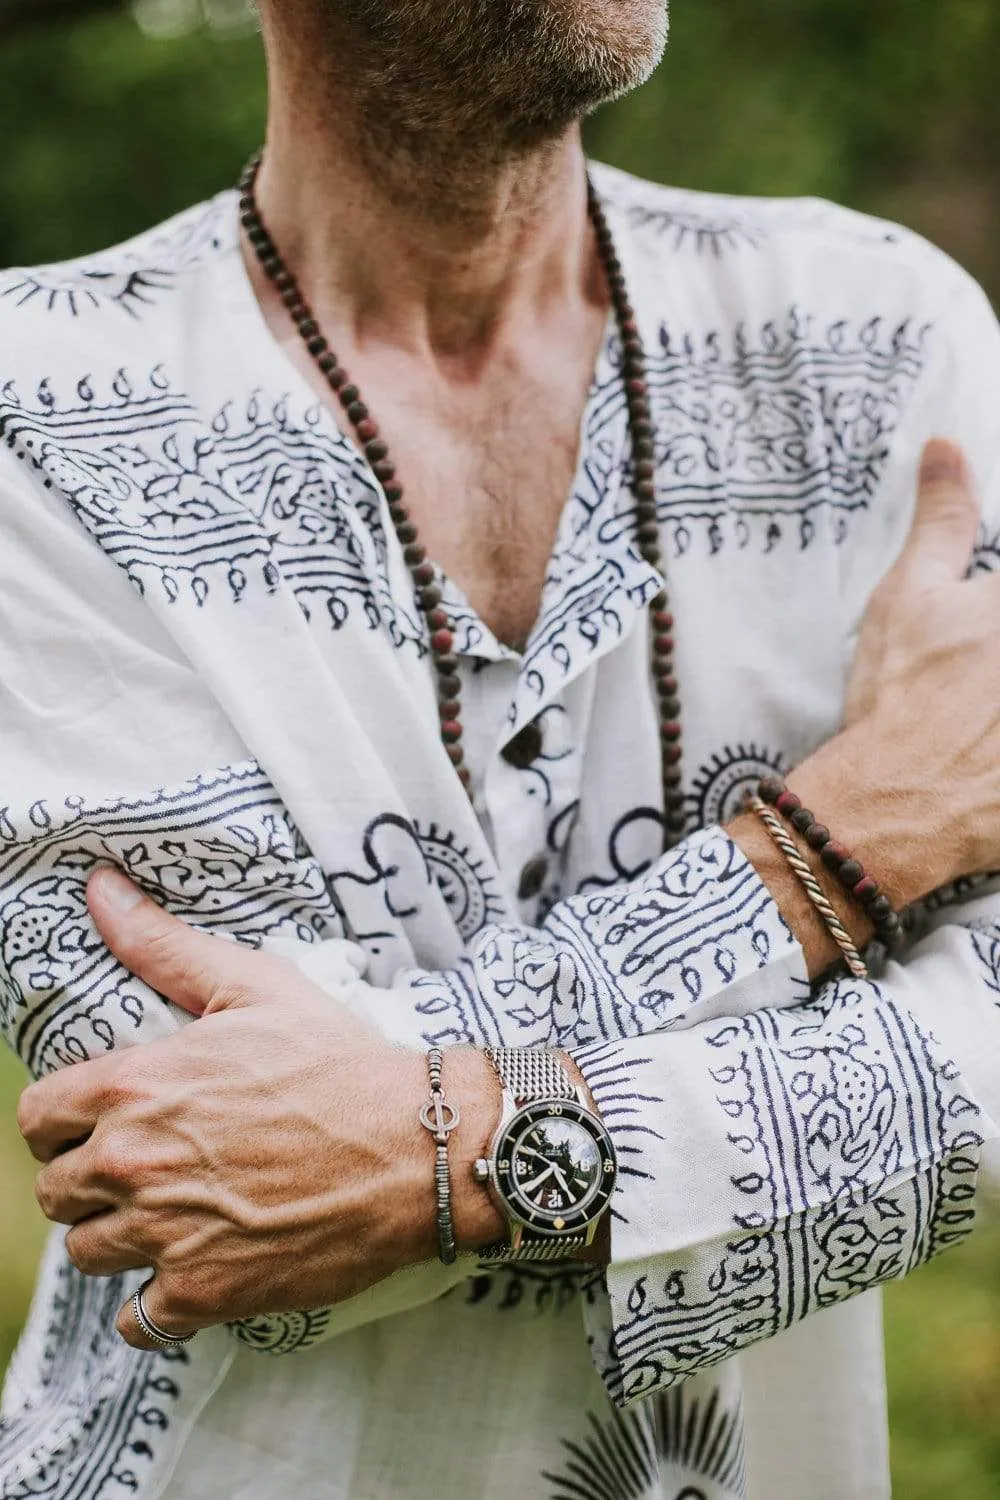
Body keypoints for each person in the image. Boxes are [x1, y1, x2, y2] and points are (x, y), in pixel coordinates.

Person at [1, 1, 999, 1495]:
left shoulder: (878, 337)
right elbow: (217, 1211)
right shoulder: (42, 408)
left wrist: (434, 1155)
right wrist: (837, 853)